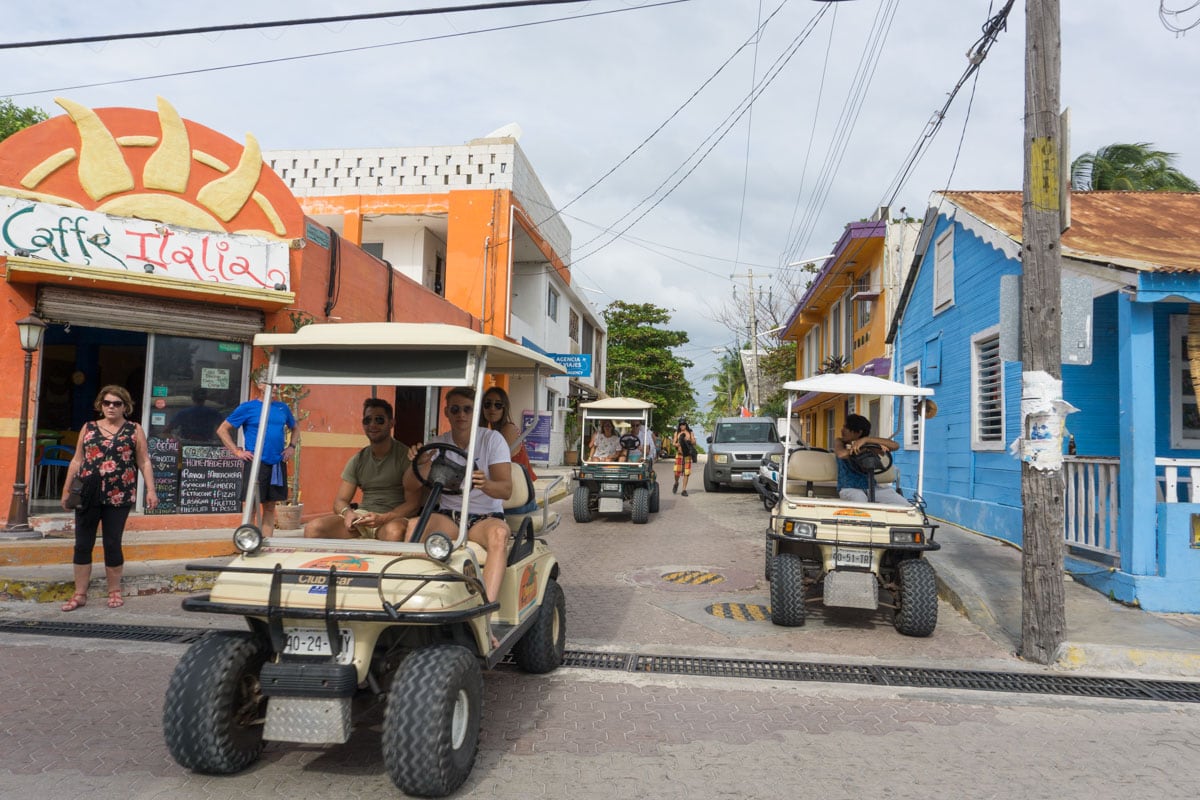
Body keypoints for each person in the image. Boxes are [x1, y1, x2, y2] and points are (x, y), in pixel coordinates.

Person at [411, 388, 512, 640]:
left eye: (467, 409)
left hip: (484, 518)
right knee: (410, 527)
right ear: (446, 412)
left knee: (500, 535)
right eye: (455, 409)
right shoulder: (437, 444)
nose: (461, 415)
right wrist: (420, 461)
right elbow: (411, 485)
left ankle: (483, 618)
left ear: (475, 411)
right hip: (449, 516)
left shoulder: (492, 440)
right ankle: (406, 602)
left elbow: (506, 490)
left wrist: (485, 483)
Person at [60, 385, 158, 612]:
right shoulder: (89, 428)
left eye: (117, 403)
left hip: (119, 492)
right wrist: (66, 490)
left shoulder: (134, 430)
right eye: (107, 403)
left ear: (125, 406)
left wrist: (151, 490)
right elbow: (77, 460)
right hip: (87, 492)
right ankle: (80, 593)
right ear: (100, 405)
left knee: (112, 542)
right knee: (82, 543)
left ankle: (114, 590)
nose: (111, 407)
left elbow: (144, 461)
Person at [303, 398, 422, 540]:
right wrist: (348, 513)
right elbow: (340, 500)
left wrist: (383, 518)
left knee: (394, 533)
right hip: (363, 518)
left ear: (391, 423)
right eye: (367, 420)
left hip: (392, 519)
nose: (372, 424)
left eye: (379, 420)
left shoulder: (406, 456)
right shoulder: (358, 459)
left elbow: (413, 504)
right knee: (313, 529)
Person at [217, 381, 298, 538]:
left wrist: (291, 446)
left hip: (276, 463)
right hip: (256, 463)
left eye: (278, 385)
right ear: (260, 385)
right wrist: (237, 451)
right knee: (251, 506)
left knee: (269, 507)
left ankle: (267, 544)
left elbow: (295, 427)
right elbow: (222, 429)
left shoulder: (282, 408)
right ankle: (248, 543)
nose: (275, 388)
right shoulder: (248, 407)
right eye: (272, 385)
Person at [834, 413, 907, 504]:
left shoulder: (869, 445)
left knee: (903, 504)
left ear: (858, 432)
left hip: (873, 488)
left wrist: (866, 440)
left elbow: (895, 446)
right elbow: (841, 454)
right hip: (849, 488)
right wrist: (865, 449)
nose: (842, 430)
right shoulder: (840, 442)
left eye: (846, 428)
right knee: (861, 503)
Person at [480, 386, 537, 481]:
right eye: (487, 404)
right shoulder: (488, 431)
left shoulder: (508, 429)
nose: (492, 408)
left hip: (517, 487)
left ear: (504, 408)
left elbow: (494, 463)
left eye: (497, 405)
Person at [672, 418, 696, 496]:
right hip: (679, 455)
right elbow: (673, 443)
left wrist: (688, 441)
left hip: (687, 455)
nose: (682, 426)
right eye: (681, 424)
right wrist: (678, 444)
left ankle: (684, 490)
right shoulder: (677, 433)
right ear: (679, 425)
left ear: (686, 425)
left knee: (686, 473)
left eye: (684, 424)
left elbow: (694, 442)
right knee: (676, 472)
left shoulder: (690, 432)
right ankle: (676, 483)